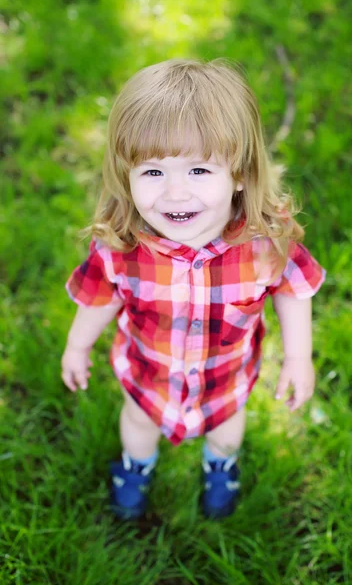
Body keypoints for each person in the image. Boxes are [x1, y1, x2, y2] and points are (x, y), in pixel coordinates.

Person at [61, 58, 326, 520]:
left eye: (199, 171)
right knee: (139, 423)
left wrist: (299, 357)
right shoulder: (122, 244)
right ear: (127, 176)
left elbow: (293, 288)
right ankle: (135, 466)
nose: (176, 194)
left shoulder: (265, 241)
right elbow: (100, 296)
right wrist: (76, 345)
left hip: (225, 379)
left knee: (226, 429)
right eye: (153, 172)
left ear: (239, 173)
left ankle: (220, 465)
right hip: (148, 374)